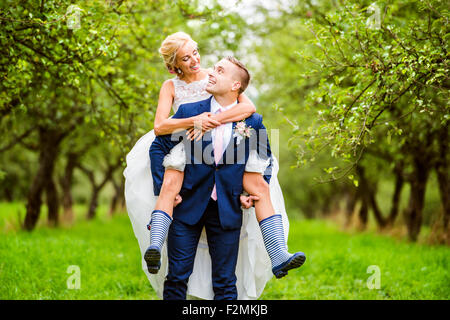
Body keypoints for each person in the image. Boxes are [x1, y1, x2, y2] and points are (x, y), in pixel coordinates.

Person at [123, 32, 305, 300]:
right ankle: (155, 242)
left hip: (226, 199)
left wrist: (214, 120)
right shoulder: (178, 93)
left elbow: (254, 124)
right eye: (186, 58)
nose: (196, 61)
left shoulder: (240, 107)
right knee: (171, 186)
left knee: (258, 189)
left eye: (196, 52)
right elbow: (160, 129)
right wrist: (195, 120)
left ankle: (278, 252)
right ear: (175, 65)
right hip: (188, 160)